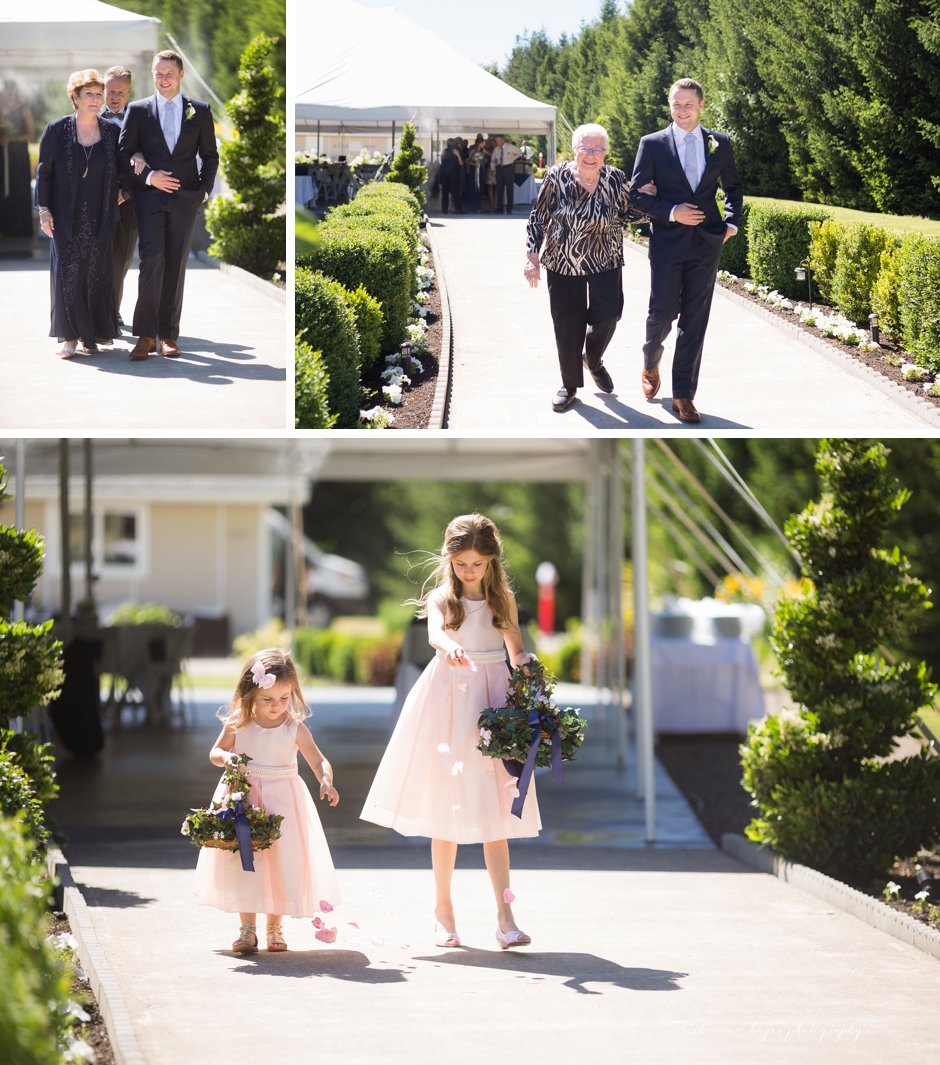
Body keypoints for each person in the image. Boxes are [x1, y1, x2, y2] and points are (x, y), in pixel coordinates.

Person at [361, 514, 537, 950]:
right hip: (453, 698)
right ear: (449, 559)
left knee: (497, 808)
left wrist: (528, 667)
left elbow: (515, 651)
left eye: (479, 563)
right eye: (462, 563)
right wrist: (451, 645)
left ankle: (505, 916)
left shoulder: (503, 601)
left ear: (493, 561)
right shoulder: (443, 598)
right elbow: (437, 634)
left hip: (492, 699)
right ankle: (443, 912)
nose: (470, 571)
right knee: (447, 803)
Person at [193, 648, 341, 954]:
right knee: (245, 861)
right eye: (268, 699)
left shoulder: (293, 727)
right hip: (244, 799)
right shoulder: (239, 722)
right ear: (250, 695)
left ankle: (275, 927)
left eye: (284, 698)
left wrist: (326, 779)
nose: (277, 706)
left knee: (280, 863)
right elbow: (215, 752)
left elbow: (318, 760)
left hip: (283, 803)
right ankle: (247, 928)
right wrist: (228, 758)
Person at [629, 78, 743, 423]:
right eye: (676, 105)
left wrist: (731, 225)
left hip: (707, 243)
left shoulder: (719, 144)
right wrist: (671, 211)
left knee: (695, 320)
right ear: (670, 106)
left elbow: (733, 188)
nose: (681, 110)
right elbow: (636, 194)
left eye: (688, 105)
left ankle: (684, 395)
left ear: (701, 106)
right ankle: (651, 360)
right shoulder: (652, 144)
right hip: (666, 241)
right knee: (661, 314)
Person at [525, 123, 653, 412]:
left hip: (604, 259)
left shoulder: (615, 178)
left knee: (609, 315)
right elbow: (538, 217)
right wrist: (532, 256)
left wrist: (649, 200)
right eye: (585, 147)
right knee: (567, 325)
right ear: (574, 150)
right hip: (562, 261)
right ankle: (569, 385)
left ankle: (592, 359)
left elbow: (628, 213)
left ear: (605, 153)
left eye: (598, 149)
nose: (591, 154)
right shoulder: (555, 177)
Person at [118, 50, 219, 360]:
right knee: (150, 262)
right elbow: (124, 154)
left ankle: (168, 335)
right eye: (158, 74)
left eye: (168, 74)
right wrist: (149, 177)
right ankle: (145, 335)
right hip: (149, 200)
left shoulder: (199, 111)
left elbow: (210, 156)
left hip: (185, 201)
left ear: (181, 75)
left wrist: (203, 193)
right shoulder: (137, 110)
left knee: (176, 265)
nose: (163, 79)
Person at [35, 69, 121, 359]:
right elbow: (44, 172)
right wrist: (44, 211)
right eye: (90, 94)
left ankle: (91, 335)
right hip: (63, 215)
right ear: (75, 97)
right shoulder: (57, 129)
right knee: (68, 274)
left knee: (95, 275)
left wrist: (126, 192)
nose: (96, 99)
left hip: (100, 214)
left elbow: (125, 169)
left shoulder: (111, 131)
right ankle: (69, 337)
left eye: (99, 94)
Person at [99, 66, 136, 328]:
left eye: (120, 92)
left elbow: (147, 161)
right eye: (110, 91)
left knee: (120, 261)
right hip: (97, 202)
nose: (114, 97)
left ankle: (113, 310)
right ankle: (97, 311)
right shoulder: (90, 120)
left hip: (128, 204)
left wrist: (127, 192)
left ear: (129, 92)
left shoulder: (141, 119)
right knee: (97, 259)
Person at [0, 80, 36, 237]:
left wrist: (12, 139)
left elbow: (31, 135)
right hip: (3, 154)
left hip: (19, 154)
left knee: (19, 188)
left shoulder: (24, 109)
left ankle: (20, 229)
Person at [491, 135, 521, 213]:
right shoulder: (496, 149)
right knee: (499, 188)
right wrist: (493, 169)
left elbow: (519, 152)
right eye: (496, 142)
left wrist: (513, 159)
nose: (497, 143)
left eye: (498, 141)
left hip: (508, 168)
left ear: (502, 140)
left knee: (509, 188)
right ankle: (500, 207)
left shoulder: (510, 147)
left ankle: (509, 207)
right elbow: (493, 159)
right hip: (499, 168)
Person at [438, 138, 463, 215]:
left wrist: (441, 155)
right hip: (453, 173)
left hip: (444, 173)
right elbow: (461, 163)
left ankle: (444, 210)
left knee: (445, 192)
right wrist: (458, 156)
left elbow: (442, 161)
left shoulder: (445, 151)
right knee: (455, 191)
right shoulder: (456, 149)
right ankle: (459, 210)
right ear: (454, 143)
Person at [465, 135, 486, 213]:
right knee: (473, 187)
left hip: (481, 169)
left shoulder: (483, 150)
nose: (483, 144)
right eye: (482, 143)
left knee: (480, 187)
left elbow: (488, 156)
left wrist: (484, 161)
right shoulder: (473, 150)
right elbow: (467, 160)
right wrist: (473, 164)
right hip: (474, 169)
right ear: (479, 143)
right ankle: (472, 206)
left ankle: (478, 205)